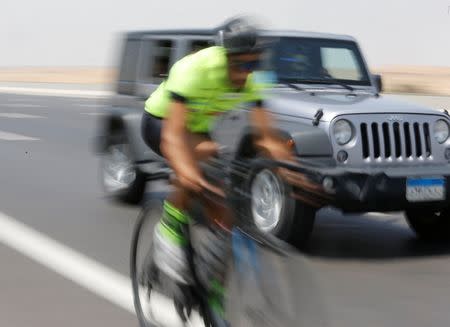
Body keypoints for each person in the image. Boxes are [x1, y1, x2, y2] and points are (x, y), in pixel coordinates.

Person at [141, 17, 293, 323]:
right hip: (162, 123)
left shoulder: (253, 79)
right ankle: (169, 227)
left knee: (224, 212)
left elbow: (266, 137)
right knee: (192, 173)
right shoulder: (194, 70)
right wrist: (187, 171)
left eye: (253, 64)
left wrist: (293, 172)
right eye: (239, 65)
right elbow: (173, 136)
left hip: (198, 132)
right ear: (225, 56)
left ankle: (211, 293)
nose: (245, 73)